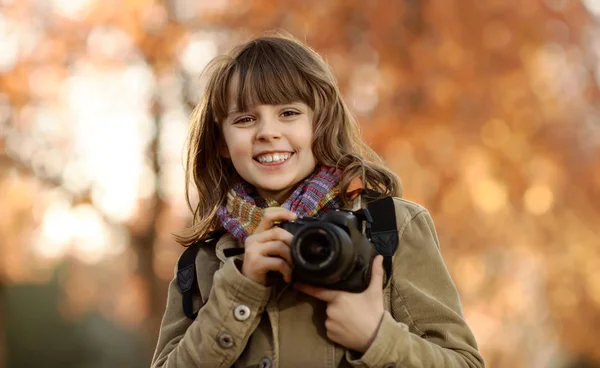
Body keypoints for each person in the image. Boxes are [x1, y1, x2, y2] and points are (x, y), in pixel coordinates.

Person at [151, 32, 485, 368]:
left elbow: (465, 363)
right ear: (222, 142)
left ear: (319, 123)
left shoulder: (390, 228)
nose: (267, 132)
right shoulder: (202, 261)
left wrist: (377, 338)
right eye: (245, 119)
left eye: (289, 113)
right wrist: (241, 288)